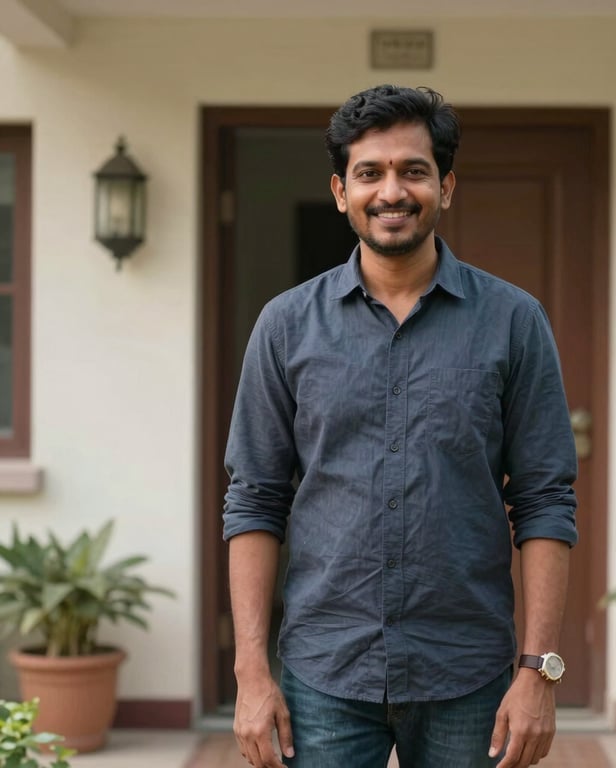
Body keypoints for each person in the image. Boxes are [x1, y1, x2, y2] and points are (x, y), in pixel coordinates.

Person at [223, 84, 578, 768]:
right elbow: (255, 500)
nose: (392, 190)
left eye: (413, 170)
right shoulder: (287, 326)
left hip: (466, 674)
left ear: (445, 186)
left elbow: (544, 501)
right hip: (324, 672)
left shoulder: (514, 322)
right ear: (340, 191)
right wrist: (250, 672)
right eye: (370, 173)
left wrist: (538, 673)